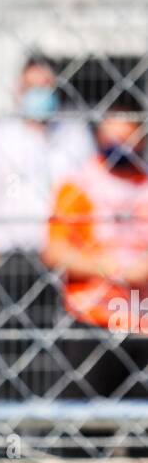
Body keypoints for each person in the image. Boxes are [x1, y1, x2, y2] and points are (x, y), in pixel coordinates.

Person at [0, 55, 94, 399]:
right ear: (18, 89)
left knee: (61, 352)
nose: (39, 95)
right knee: (7, 350)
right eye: (32, 87)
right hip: (9, 260)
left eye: (46, 87)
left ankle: (51, 428)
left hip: (63, 262)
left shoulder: (74, 135)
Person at [46, 95, 148, 406]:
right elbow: (55, 250)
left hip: (142, 320)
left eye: (127, 136)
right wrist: (109, 268)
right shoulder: (80, 183)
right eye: (112, 136)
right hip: (92, 317)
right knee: (84, 425)